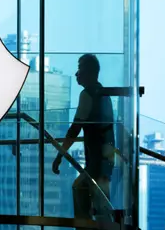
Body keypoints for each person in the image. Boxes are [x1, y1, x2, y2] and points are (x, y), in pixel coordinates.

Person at [52, 54, 115, 227]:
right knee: (100, 201)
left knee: (81, 189)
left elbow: (75, 128)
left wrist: (60, 155)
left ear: (87, 72)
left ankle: (84, 225)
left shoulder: (87, 94)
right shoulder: (103, 93)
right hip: (106, 158)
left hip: (96, 159)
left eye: (79, 69)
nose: (76, 74)